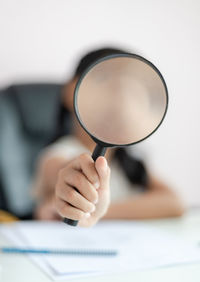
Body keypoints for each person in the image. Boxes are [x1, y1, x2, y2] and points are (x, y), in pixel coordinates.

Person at [33, 47, 185, 227]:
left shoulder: (128, 162)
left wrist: (100, 211)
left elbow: (174, 203)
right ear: (71, 92)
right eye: (108, 84)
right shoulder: (58, 154)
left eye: (130, 92)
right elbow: (64, 172)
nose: (121, 101)